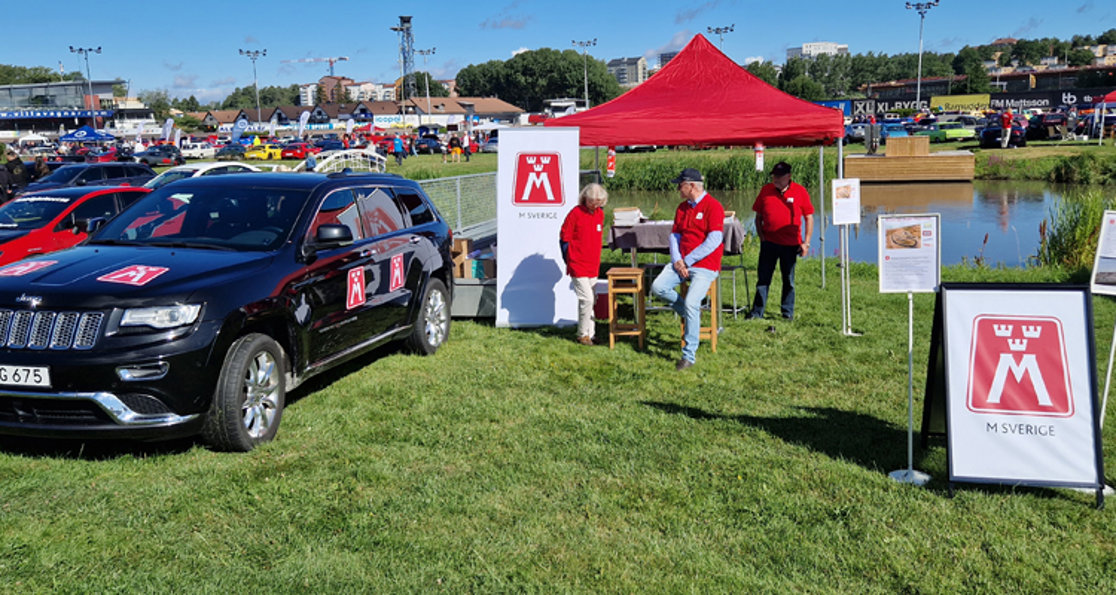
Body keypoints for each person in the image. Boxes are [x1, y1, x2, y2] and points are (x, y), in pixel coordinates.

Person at [651, 168, 724, 371]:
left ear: (691, 186)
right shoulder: (682, 208)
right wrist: (677, 260)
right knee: (658, 287)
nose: (677, 189)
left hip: (704, 265)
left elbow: (714, 240)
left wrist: (688, 261)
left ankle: (688, 355)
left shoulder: (713, 206)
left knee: (692, 301)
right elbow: (675, 236)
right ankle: (692, 314)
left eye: (680, 185)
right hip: (681, 262)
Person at [747, 161, 814, 321]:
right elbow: (758, 217)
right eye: (774, 176)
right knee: (763, 278)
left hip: (791, 245)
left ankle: (787, 312)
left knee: (788, 280)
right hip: (769, 243)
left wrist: (806, 242)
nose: (775, 179)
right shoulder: (766, 190)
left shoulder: (800, 191)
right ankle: (757, 312)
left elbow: (809, 217)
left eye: (779, 176)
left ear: (789, 176)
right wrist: (762, 237)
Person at [560, 183, 608, 346]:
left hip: (592, 263)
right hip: (578, 263)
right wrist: (568, 259)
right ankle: (582, 334)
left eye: (598, 202)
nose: (595, 205)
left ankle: (591, 333)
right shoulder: (575, 213)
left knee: (591, 299)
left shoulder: (600, 214)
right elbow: (564, 237)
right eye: (592, 201)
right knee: (586, 299)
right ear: (585, 199)